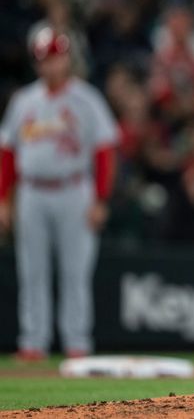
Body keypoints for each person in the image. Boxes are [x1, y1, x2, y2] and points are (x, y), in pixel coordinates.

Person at [0, 26, 119, 361]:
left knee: (75, 271)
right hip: (32, 192)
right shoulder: (24, 101)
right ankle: (33, 342)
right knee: (31, 270)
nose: (49, 65)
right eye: (43, 59)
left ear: (65, 57)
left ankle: (77, 344)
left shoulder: (86, 98)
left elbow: (105, 151)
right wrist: (3, 199)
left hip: (73, 190)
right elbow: (7, 153)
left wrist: (100, 198)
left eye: (54, 56)